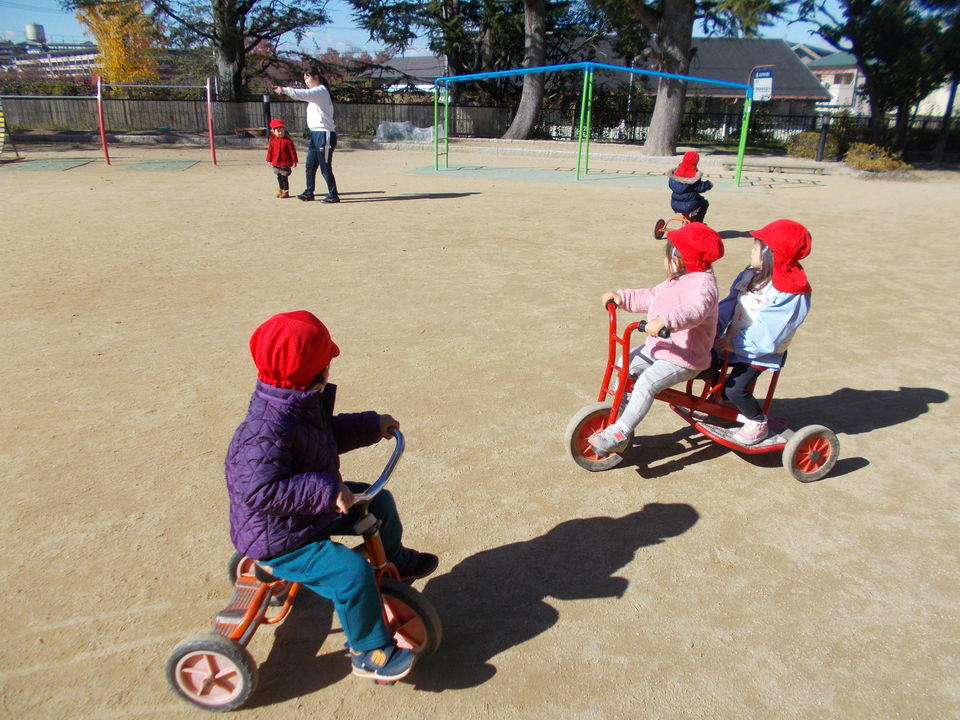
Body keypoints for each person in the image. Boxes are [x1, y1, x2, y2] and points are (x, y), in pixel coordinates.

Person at [225, 310, 438, 682]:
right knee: (351, 574)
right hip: (281, 536)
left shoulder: (300, 401)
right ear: (313, 372)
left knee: (378, 503)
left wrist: (371, 426)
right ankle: (369, 652)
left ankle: (397, 560)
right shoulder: (266, 427)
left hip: (307, 513)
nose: (330, 368)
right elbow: (258, 490)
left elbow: (325, 437)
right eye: (326, 363)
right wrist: (325, 491)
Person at [589, 223, 724, 456]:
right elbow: (652, 295)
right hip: (660, 347)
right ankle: (619, 410)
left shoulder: (704, 286)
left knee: (647, 383)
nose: (665, 261)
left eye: (667, 255)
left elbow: (694, 311)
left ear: (681, 258)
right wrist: (622, 298)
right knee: (624, 364)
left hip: (685, 357)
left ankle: (621, 431)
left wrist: (667, 320)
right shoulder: (678, 279)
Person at [715, 219, 812, 445]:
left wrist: (736, 343)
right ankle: (721, 398)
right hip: (733, 339)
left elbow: (771, 332)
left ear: (770, 254)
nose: (752, 251)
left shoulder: (789, 290)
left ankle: (757, 421)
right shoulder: (750, 274)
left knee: (736, 389)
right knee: (705, 362)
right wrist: (714, 327)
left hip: (759, 351)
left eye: (756, 247)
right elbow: (730, 302)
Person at [273, 67, 340, 203]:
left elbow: (303, 94)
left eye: (308, 77)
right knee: (310, 166)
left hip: (324, 134)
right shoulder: (315, 94)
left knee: (325, 167)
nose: (306, 81)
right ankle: (309, 192)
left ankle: (333, 195)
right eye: (305, 79)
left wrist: (284, 90)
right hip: (315, 134)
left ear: (316, 77)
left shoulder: (321, 91)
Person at [669, 150, 713, 223]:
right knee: (704, 202)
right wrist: (708, 184)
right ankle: (698, 222)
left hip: (674, 204)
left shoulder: (676, 172)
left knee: (687, 199)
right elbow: (699, 187)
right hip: (689, 204)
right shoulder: (692, 173)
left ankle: (685, 216)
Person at [265, 118, 298, 198]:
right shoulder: (272, 141)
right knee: (279, 177)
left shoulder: (288, 141)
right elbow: (270, 151)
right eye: (278, 131)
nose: (280, 133)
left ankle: (286, 191)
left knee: (284, 178)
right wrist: (269, 160)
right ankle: (281, 190)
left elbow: (292, 152)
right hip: (276, 163)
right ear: (273, 131)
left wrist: (295, 161)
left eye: (282, 131)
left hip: (285, 163)